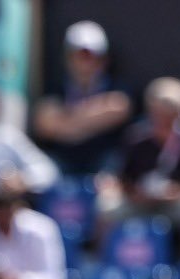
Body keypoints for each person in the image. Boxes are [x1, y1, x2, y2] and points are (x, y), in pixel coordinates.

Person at [99, 77, 180, 236]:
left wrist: (177, 191)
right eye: (159, 113)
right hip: (141, 204)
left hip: (177, 203)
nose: (164, 119)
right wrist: (137, 193)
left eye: (171, 113)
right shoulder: (136, 138)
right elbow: (124, 179)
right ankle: (103, 257)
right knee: (107, 205)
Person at [32, 20, 132, 176]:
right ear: (67, 58)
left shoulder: (119, 88)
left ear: (104, 59)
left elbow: (118, 109)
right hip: (62, 164)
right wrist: (94, 117)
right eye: (79, 56)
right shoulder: (54, 89)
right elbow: (44, 125)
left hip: (104, 168)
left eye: (91, 56)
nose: (85, 63)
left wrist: (66, 120)